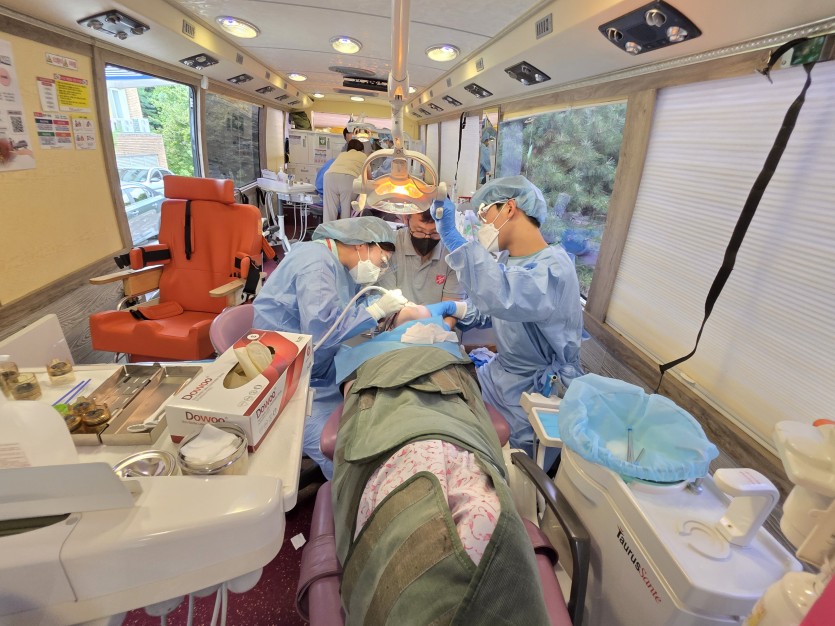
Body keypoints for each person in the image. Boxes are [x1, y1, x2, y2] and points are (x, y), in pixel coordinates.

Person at [329, 313, 551, 624]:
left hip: (451, 408)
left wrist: (445, 320)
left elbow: (455, 328)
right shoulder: (368, 351)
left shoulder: (444, 339)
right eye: (403, 312)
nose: (412, 309)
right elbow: (353, 388)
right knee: (417, 520)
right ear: (387, 324)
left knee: (484, 512)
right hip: (388, 409)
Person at [431, 175, 585, 462]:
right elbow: (499, 310)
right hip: (501, 375)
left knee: (506, 466)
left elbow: (504, 295)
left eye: (483, 214)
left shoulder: (554, 269)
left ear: (510, 208)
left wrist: (453, 238)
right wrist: (456, 309)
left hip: (533, 393)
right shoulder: (507, 259)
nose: (481, 225)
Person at [252, 216, 407, 478]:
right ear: (362, 245)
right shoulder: (316, 264)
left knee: (365, 416)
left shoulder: (339, 266)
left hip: (316, 370)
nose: (381, 270)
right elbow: (322, 330)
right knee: (343, 456)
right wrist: (377, 310)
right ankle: (350, 491)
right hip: (286, 383)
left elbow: (345, 306)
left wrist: (376, 306)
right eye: (381, 261)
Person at [377, 209, 465, 306]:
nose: (426, 238)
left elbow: (451, 307)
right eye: (419, 231)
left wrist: (437, 317)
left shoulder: (454, 254)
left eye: (435, 233)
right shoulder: (390, 247)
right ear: (406, 219)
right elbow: (387, 304)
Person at [323, 139, 367, 222]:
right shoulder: (363, 156)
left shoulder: (342, 154)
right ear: (362, 150)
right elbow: (368, 176)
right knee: (346, 208)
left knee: (329, 210)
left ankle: (327, 229)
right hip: (348, 178)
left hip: (329, 177)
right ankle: (344, 229)